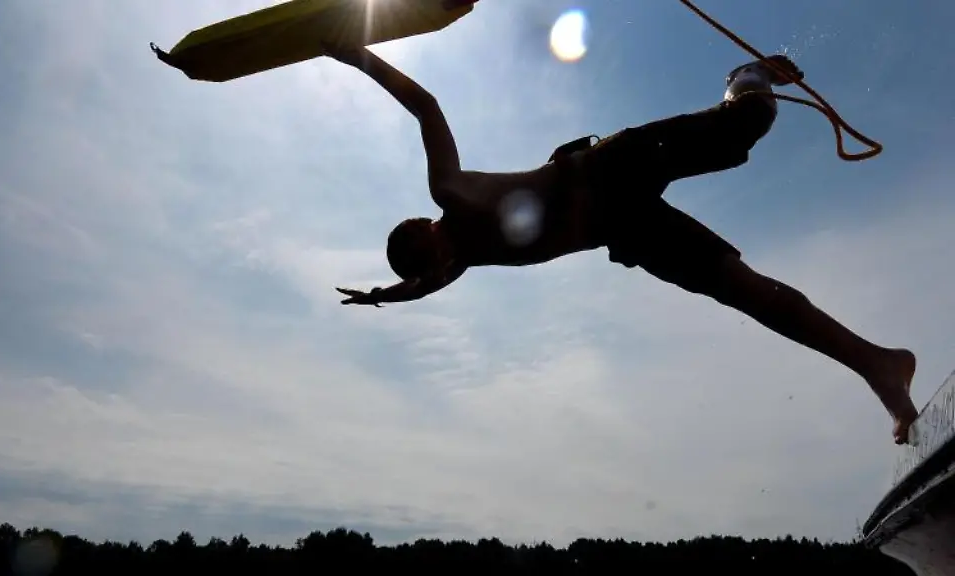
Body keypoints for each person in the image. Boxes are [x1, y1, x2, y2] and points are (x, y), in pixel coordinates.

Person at [321, 44, 919, 445]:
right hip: (625, 230)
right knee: (747, 293)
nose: (445, 266)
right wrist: (383, 297)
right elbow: (424, 285)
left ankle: (748, 76)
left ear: (426, 228)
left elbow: (426, 106)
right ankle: (880, 366)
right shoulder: (463, 260)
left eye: (436, 255)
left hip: (611, 168)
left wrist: (353, 53)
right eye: (439, 269)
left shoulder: (449, 191)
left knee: (746, 125)